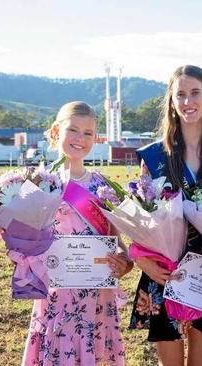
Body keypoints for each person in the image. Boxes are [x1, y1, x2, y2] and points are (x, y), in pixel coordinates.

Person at [129, 65, 202, 366]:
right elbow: (140, 217)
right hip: (164, 271)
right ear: (171, 101)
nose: (188, 102)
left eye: (195, 93)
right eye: (181, 95)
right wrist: (143, 261)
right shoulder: (153, 156)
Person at [21, 101, 133, 366]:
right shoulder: (39, 183)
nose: (80, 139)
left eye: (88, 133)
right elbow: (24, 245)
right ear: (56, 131)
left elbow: (117, 242)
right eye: (73, 130)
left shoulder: (102, 185)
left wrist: (124, 262)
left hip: (97, 294)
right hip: (57, 294)